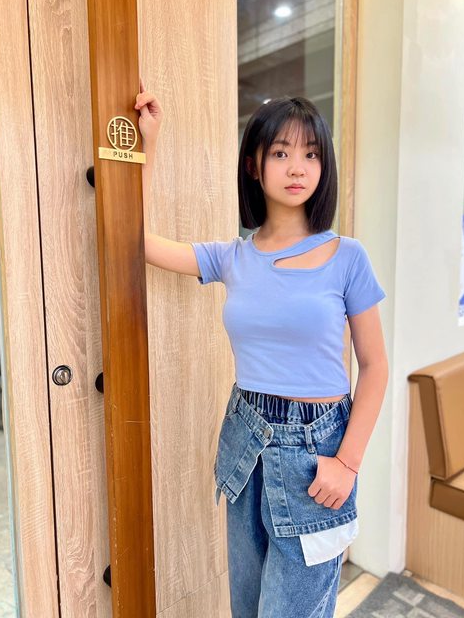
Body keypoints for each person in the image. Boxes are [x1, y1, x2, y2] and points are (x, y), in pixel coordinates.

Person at [134, 79, 389, 618]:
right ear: (254, 165)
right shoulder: (233, 257)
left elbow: (375, 366)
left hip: (318, 453)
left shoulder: (348, 256)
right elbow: (138, 240)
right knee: (247, 609)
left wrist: (347, 462)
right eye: (280, 153)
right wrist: (147, 144)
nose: (298, 168)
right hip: (245, 441)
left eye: (311, 154)